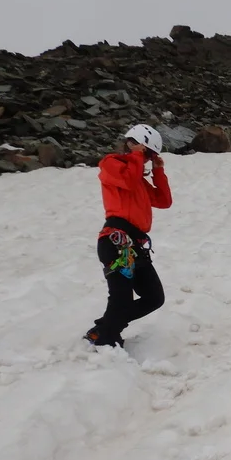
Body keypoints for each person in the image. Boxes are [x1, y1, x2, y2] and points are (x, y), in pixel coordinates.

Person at [83, 124, 173, 348]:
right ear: (133, 144)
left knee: (154, 298)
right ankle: (106, 341)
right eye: (147, 153)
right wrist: (136, 155)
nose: (147, 159)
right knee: (121, 297)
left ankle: (104, 329)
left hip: (135, 244)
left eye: (150, 155)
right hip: (116, 240)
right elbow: (129, 181)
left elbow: (164, 201)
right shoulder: (111, 164)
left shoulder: (137, 177)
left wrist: (158, 171)